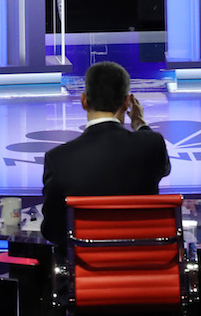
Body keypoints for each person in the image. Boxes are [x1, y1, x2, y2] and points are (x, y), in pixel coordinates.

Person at [40, 61, 171, 246]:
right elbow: (163, 167)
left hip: (86, 270)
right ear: (127, 102)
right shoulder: (152, 145)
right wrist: (140, 124)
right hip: (143, 264)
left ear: (84, 101)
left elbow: (52, 231)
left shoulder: (58, 159)